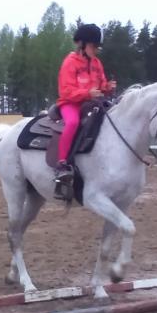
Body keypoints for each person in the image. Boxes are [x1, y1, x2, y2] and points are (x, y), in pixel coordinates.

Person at [54, 23, 116, 199]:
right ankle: (62, 164)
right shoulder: (70, 63)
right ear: (82, 44)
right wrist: (87, 93)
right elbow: (66, 90)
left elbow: (101, 84)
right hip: (70, 103)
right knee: (72, 123)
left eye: (97, 47)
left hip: (92, 102)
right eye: (93, 46)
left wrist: (108, 87)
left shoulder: (97, 63)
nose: (96, 50)